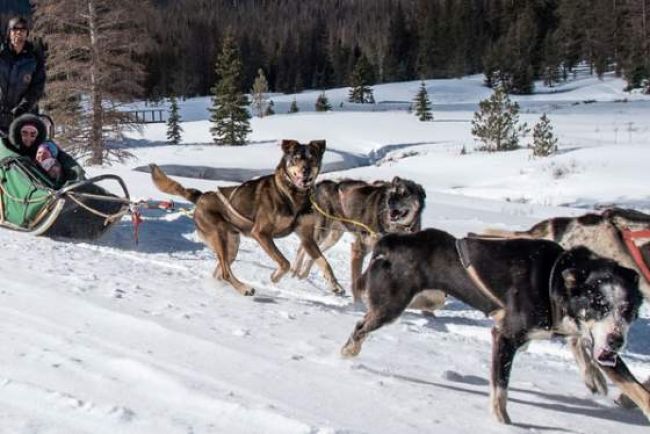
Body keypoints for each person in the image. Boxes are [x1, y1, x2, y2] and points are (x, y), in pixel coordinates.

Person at [2, 114, 84, 184]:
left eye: (33, 134)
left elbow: (54, 151)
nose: (28, 138)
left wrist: (47, 148)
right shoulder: (10, 145)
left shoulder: (43, 147)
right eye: (24, 133)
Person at [0, 16, 46, 133]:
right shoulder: (1, 54)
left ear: (27, 33)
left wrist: (23, 107)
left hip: (23, 119)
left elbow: (37, 87)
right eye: (15, 29)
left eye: (23, 30)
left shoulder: (34, 58)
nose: (19, 33)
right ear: (9, 32)